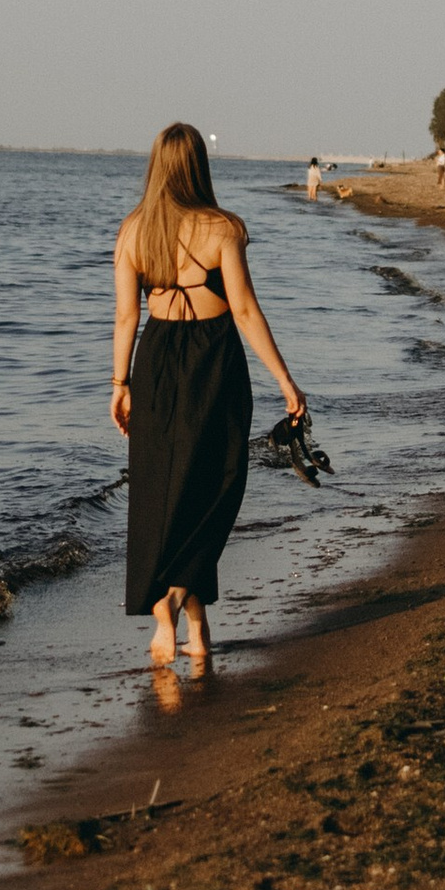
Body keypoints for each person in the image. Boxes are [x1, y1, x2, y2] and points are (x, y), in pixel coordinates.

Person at [111, 121, 306, 672]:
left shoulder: (132, 231)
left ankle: (196, 630)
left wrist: (120, 385)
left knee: (162, 491)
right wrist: (285, 381)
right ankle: (172, 599)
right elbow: (243, 310)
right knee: (218, 483)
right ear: (199, 165)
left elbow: (126, 317)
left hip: (154, 362)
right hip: (213, 361)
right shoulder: (223, 228)